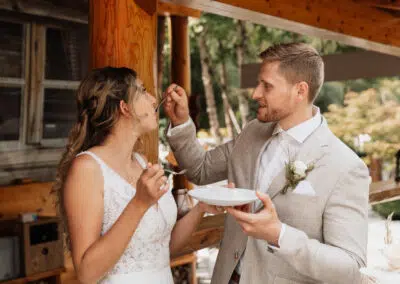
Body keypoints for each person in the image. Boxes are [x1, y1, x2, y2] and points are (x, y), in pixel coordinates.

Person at [164, 43, 370, 284]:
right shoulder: (252, 132)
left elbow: (348, 267)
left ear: (300, 91)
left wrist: (279, 234)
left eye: (267, 86)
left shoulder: (345, 166)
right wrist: (181, 123)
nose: (255, 94)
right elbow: (201, 169)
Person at [53, 67, 220, 284]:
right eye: (142, 90)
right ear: (125, 108)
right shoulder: (87, 168)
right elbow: (86, 273)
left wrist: (201, 208)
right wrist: (139, 203)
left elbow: (163, 247)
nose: (153, 100)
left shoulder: (142, 162)